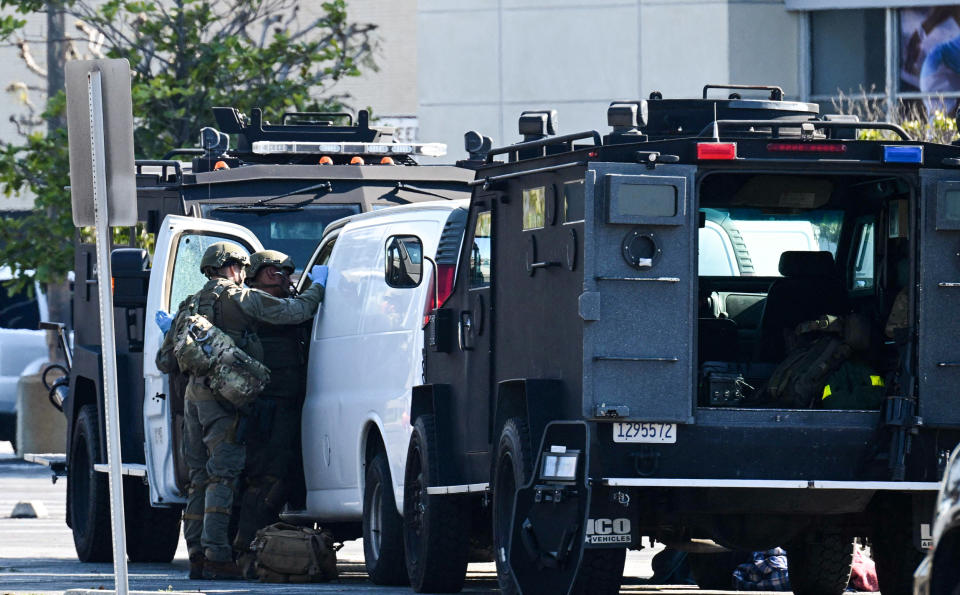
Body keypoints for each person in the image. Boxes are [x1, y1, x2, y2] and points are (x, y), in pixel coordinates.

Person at [156, 241, 328, 580]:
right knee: (224, 475)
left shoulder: (189, 304)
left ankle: (196, 556)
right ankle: (218, 555)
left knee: (198, 479)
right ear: (233, 267)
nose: (244, 274)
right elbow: (294, 312)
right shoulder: (239, 297)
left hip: (194, 397)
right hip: (224, 397)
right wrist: (318, 287)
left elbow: (164, 361)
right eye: (241, 268)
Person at [232, 250, 313, 575]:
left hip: (290, 403)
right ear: (253, 276)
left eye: (285, 271)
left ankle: (258, 547)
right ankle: (247, 550)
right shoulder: (255, 303)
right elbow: (296, 311)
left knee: (280, 476)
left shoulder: (280, 303)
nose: (280, 275)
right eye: (272, 270)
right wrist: (316, 289)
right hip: (268, 406)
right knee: (266, 479)